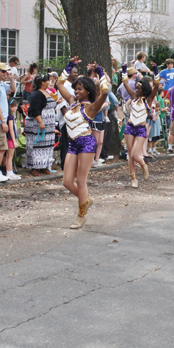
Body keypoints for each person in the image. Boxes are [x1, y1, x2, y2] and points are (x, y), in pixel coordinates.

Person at [55, 58, 110, 227]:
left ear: (87, 90)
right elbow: (59, 84)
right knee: (66, 181)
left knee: (81, 180)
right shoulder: (72, 103)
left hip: (86, 143)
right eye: (75, 89)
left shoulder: (91, 108)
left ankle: (81, 215)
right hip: (72, 144)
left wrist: (100, 72)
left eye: (80, 89)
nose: (76, 92)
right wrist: (69, 66)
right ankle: (85, 199)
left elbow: (105, 93)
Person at [123, 71, 158, 187]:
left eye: (139, 88)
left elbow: (156, 88)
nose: (136, 90)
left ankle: (143, 165)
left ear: (144, 89)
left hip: (141, 129)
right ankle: (133, 179)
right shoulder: (133, 98)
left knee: (135, 154)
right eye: (136, 88)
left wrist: (156, 72)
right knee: (130, 155)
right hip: (129, 127)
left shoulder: (148, 100)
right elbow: (126, 84)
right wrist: (124, 72)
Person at [25, 74, 57, 176]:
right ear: (42, 82)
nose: (49, 82)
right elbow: (35, 109)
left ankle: (44, 165)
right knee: (36, 145)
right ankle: (34, 166)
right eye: (47, 80)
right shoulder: (36, 94)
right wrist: (40, 122)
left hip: (49, 125)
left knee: (46, 145)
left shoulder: (46, 92)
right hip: (38, 124)